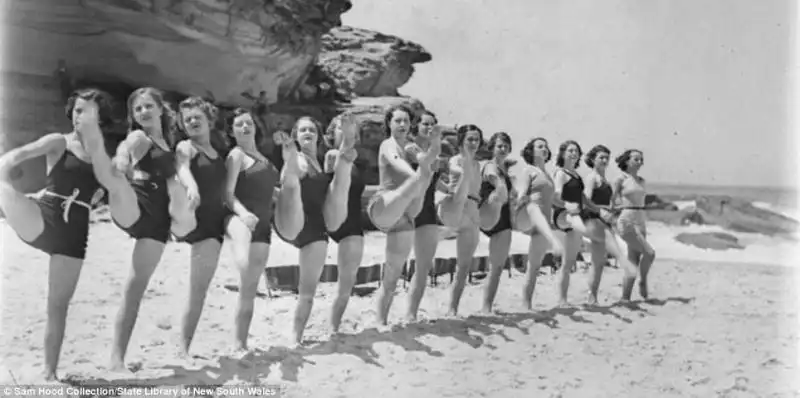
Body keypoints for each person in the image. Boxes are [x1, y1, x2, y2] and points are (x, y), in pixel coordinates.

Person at [0, 88, 109, 380]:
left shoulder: (103, 157)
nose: (80, 116)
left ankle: (49, 373)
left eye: (88, 111)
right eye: (77, 110)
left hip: (73, 233)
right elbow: (18, 154)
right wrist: (5, 166)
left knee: (58, 306)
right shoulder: (58, 142)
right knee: (2, 187)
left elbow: (110, 190)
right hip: (42, 216)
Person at [85, 87, 191, 373]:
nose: (143, 112)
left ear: (160, 109)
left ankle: (117, 358)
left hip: (157, 225)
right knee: (118, 182)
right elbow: (124, 149)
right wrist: (120, 160)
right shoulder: (138, 137)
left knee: (134, 290)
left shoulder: (170, 143)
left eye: (147, 106)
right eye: (137, 109)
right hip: (134, 207)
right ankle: (89, 192)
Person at [222, 107, 304, 351]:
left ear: (255, 127)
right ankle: (238, 343)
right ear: (232, 131)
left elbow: (275, 192)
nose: (245, 128)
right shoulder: (236, 155)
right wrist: (243, 213)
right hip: (241, 221)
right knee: (246, 272)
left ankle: (241, 343)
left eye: (248, 123)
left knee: (250, 287)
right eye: (239, 125)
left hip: (264, 227)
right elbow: (227, 193)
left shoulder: (266, 160)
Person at [276, 115, 357, 346]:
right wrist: (289, 157)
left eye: (312, 129)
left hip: (315, 228)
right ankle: (295, 335)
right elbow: (289, 176)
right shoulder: (301, 160)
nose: (307, 133)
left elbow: (342, 163)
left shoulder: (322, 162)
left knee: (308, 290)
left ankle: (296, 336)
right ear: (296, 137)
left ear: (319, 136)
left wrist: (348, 139)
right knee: (291, 181)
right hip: (291, 219)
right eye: (302, 130)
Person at [369, 106, 441, 327]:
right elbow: (396, 162)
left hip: (405, 217)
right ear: (389, 124)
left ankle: (381, 321)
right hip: (384, 205)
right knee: (418, 179)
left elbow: (426, 160)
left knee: (393, 273)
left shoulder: (411, 147)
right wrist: (416, 175)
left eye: (406, 121)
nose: (402, 125)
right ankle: (381, 319)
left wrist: (435, 144)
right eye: (397, 121)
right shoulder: (387, 145)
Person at [170, 96, 231, 358]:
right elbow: (182, 169)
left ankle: (183, 347)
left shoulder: (219, 153)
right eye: (187, 119)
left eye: (198, 117)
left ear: (209, 121)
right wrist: (191, 186)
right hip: (188, 214)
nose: (193, 121)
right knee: (172, 182)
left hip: (212, 226)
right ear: (183, 126)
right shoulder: (186, 147)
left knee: (198, 290)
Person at [324, 114, 367, 334]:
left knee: (347, 283)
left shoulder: (356, 163)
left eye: (352, 129)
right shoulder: (332, 155)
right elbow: (340, 164)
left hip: (352, 224)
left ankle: (334, 326)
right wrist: (347, 140)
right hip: (333, 215)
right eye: (342, 128)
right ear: (332, 134)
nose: (348, 131)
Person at [582, 145, 639, 305]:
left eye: (607, 157)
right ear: (593, 160)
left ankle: (591, 298)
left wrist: (615, 209)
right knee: (608, 239)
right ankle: (624, 262)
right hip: (592, 220)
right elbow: (586, 200)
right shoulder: (592, 177)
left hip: (601, 220)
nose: (605, 160)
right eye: (601, 157)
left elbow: (603, 203)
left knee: (598, 263)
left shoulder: (605, 180)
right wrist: (601, 211)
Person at [437, 124, 484, 316]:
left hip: (471, 210)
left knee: (464, 265)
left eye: (476, 139)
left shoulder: (477, 165)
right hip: (455, 206)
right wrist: (462, 170)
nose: (474, 143)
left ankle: (453, 307)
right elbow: (457, 174)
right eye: (470, 139)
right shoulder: (456, 160)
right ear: (462, 141)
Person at [404, 110, 446, 322]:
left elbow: (435, 182)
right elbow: (424, 164)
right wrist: (436, 144)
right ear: (416, 127)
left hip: (427, 209)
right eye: (425, 124)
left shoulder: (434, 153)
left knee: (424, 265)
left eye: (433, 124)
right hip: (408, 208)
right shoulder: (410, 148)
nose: (429, 128)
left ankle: (411, 312)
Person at [513, 138, 564, 310]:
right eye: (539, 146)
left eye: (546, 146)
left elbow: (553, 200)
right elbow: (521, 192)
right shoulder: (529, 170)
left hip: (544, 222)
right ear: (531, 151)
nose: (544, 148)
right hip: (528, 216)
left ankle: (526, 303)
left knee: (534, 265)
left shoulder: (548, 175)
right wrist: (521, 199)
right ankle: (555, 241)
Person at [613, 149, 656, 301]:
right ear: (626, 161)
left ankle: (625, 298)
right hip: (627, 220)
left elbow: (641, 201)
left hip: (640, 219)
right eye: (636, 159)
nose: (639, 162)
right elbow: (613, 202)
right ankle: (643, 281)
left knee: (633, 260)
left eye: (641, 159)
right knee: (650, 253)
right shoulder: (620, 179)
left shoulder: (642, 181)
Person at [478, 132, 513, 314]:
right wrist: (499, 183)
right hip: (488, 214)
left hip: (504, 219)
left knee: (497, 266)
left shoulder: (505, 170)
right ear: (491, 148)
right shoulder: (489, 166)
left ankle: (487, 306)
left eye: (506, 146)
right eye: (499, 145)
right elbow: (491, 176)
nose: (503, 148)